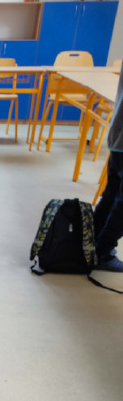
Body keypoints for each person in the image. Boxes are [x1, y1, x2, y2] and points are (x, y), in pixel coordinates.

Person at [93, 68, 123, 271]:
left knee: (112, 194)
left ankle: (90, 242)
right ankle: (102, 252)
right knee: (117, 199)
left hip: (118, 135)